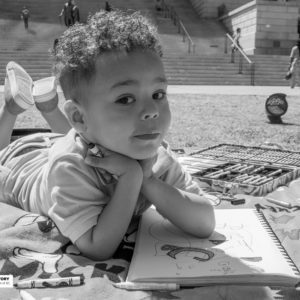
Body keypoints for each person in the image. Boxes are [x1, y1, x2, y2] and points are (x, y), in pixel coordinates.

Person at [0, 10, 215, 261]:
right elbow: (97, 247)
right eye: (126, 99)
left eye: (158, 94)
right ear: (78, 117)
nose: (151, 111)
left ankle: (48, 106)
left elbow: (204, 223)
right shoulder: (70, 167)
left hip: (76, 137)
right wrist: (131, 177)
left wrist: (149, 181)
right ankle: (11, 108)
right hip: (24, 164)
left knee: (83, 132)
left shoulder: (154, 156)